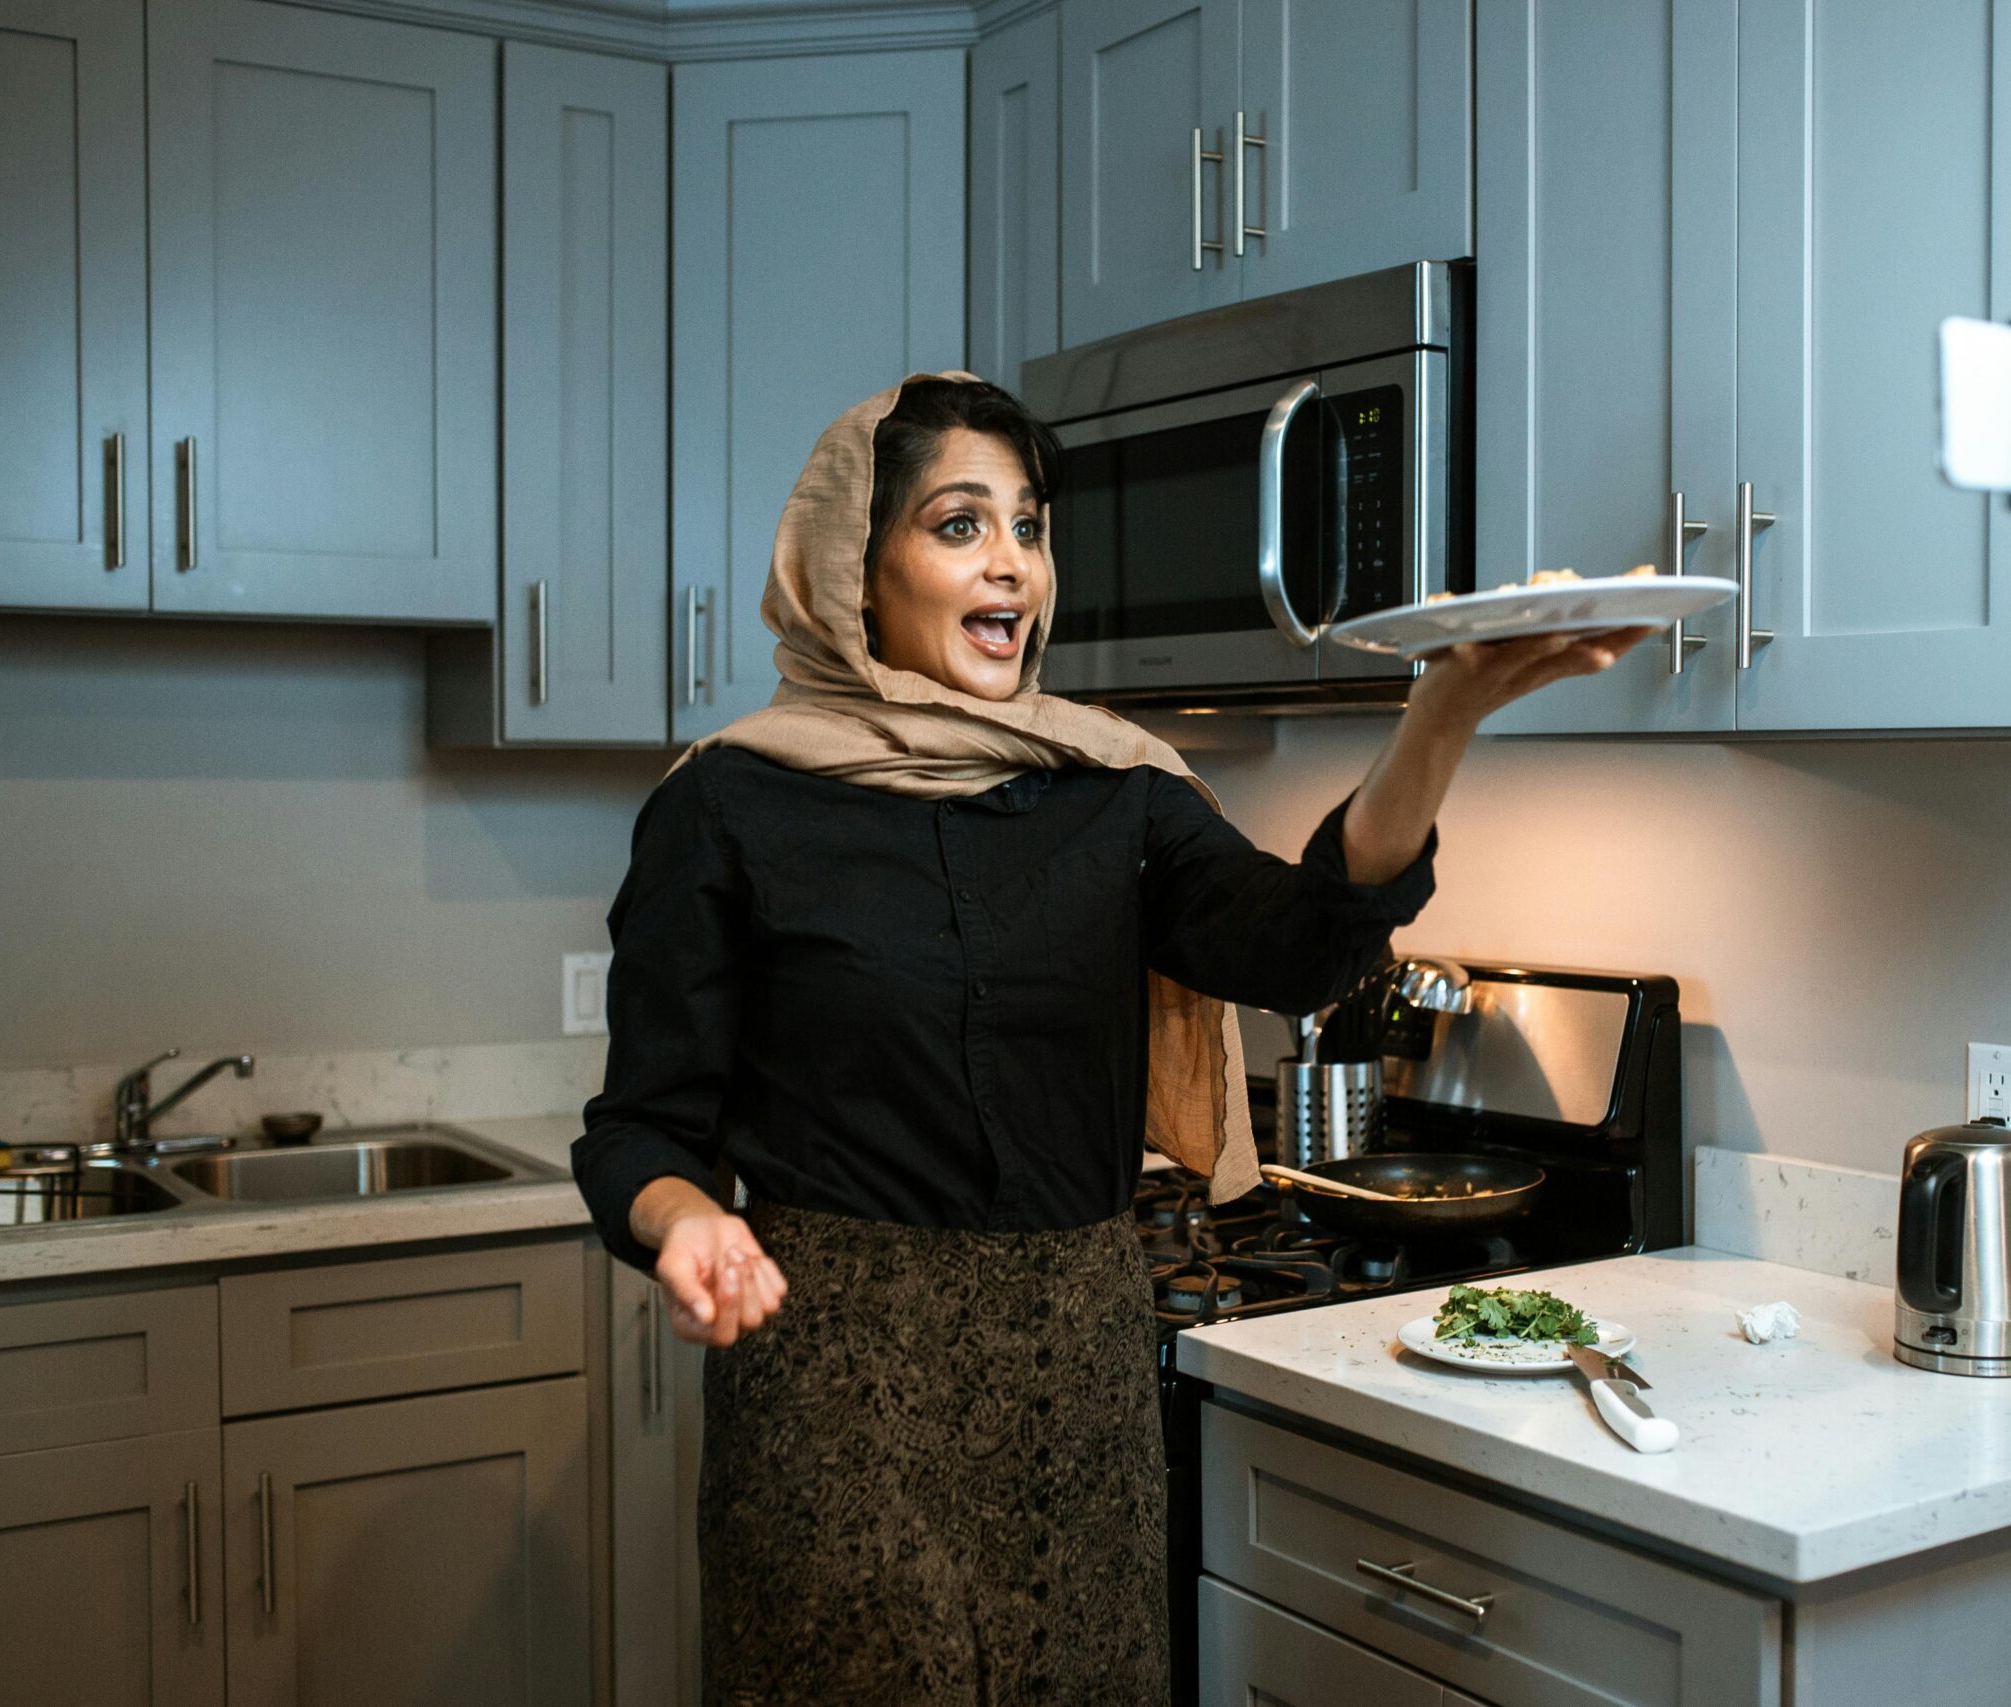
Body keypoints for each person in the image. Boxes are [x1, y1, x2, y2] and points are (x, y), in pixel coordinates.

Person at [570, 373, 1641, 1706]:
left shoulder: (1114, 791)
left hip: (1071, 1388)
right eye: (959, 525)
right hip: (833, 1394)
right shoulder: (729, 804)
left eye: (1029, 525)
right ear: (856, 563)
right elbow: (640, 1132)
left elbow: (1300, 942)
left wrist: (1441, 716)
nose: (1011, 562)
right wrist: (686, 1224)